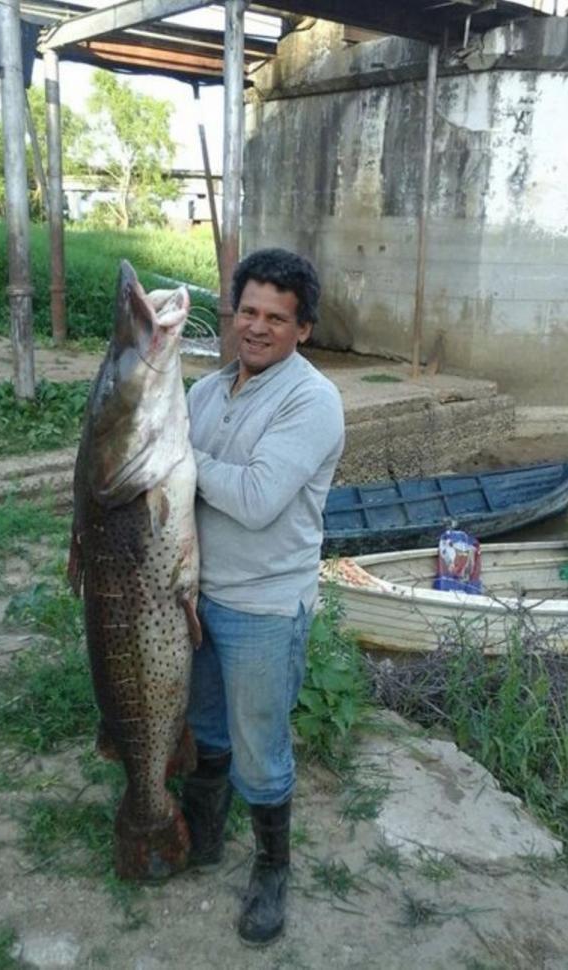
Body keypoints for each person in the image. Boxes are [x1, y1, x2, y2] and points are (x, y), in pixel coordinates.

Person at [182, 248, 345, 946]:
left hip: (263, 609)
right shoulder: (203, 392)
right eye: (248, 310)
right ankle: (205, 834)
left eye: (276, 318)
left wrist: (172, 459)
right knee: (207, 729)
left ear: (302, 328)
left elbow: (253, 500)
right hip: (192, 598)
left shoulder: (313, 401)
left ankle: (273, 869)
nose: (256, 327)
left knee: (261, 752)